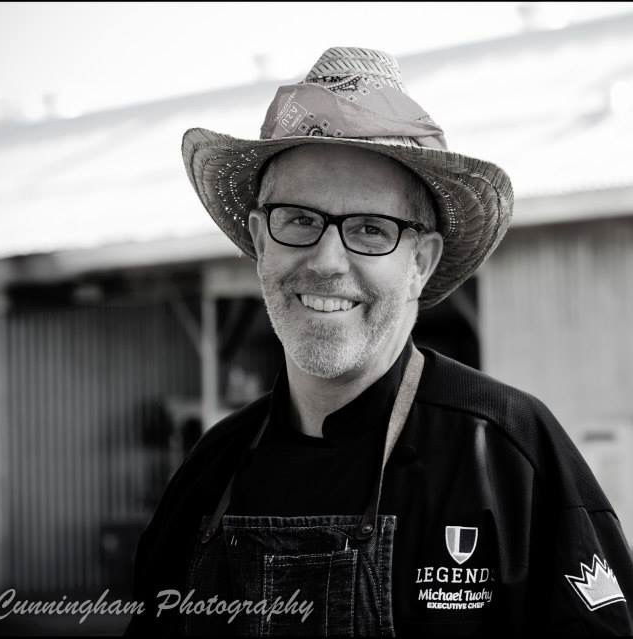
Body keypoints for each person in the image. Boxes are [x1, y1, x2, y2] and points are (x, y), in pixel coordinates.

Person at [126, 47, 633, 637]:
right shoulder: (209, 474)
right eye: (298, 219)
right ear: (261, 241)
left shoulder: (507, 453)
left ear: (421, 260)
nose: (327, 261)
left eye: (371, 229)